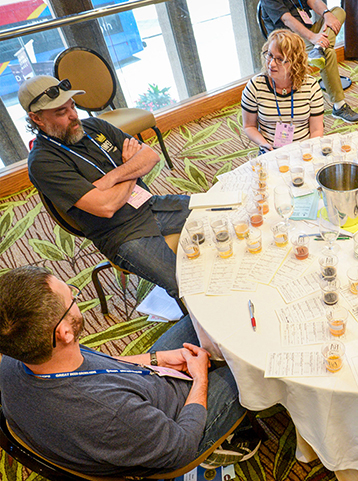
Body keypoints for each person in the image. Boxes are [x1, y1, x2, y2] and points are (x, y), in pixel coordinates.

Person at [0, 266, 261, 476]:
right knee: (252, 366)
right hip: (174, 429)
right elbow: (181, 446)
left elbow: (99, 364)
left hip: (142, 392)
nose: (75, 295)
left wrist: (157, 359)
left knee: (205, 315)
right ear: (64, 333)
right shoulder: (110, 415)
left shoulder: (19, 353)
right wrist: (200, 380)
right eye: (72, 297)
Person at [20, 75, 188, 299]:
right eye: (61, 112)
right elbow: (107, 206)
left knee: (223, 212)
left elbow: (150, 156)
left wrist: (112, 178)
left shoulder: (94, 126)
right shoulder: (43, 162)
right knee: (186, 283)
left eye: (72, 106)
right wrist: (129, 167)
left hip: (149, 205)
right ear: (37, 119)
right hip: (121, 234)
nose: (73, 116)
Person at [259, 0, 358, 124]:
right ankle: (339, 106)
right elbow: (287, 20)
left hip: (307, 31)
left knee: (337, 12)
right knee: (328, 54)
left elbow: (313, 1)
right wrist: (313, 37)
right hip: (288, 40)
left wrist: (326, 14)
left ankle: (319, 49)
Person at [242, 29, 324, 152]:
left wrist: (308, 151)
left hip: (304, 151)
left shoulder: (311, 86)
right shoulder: (255, 86)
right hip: (270, 152)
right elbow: (249, 126)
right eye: (270, 55)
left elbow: (317, 129)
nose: (271, 64)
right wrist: (264, 145)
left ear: (295, 62)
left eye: (280, 59)